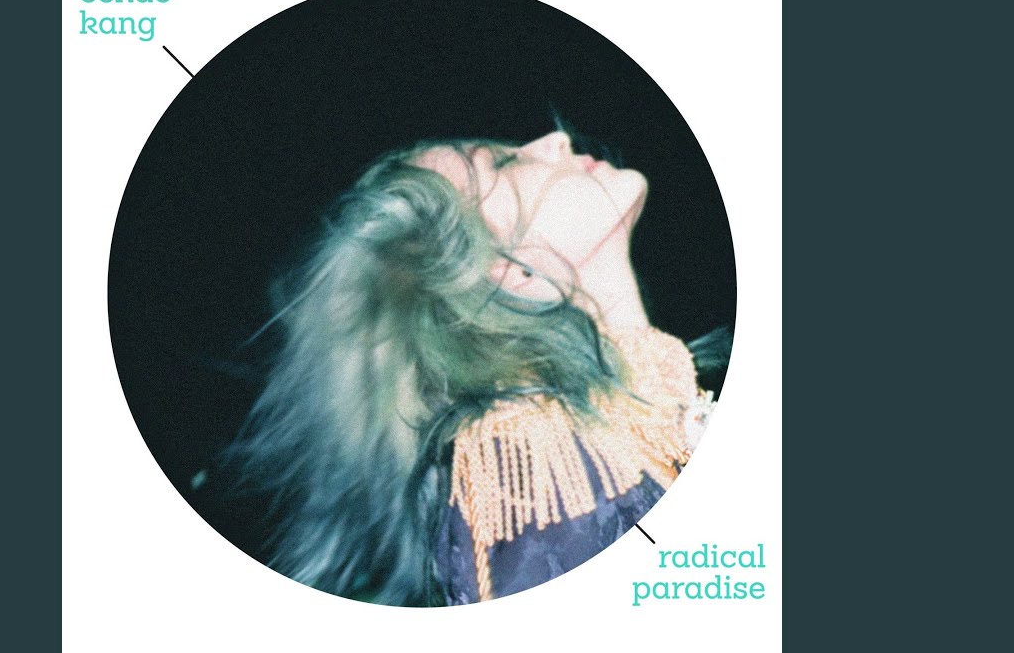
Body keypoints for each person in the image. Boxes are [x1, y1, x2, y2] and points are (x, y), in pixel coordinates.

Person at [226, 130, 729, 605]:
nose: (556, 140)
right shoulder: (538, 479)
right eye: (505, 163)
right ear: (503, 269)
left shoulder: (617, 428)